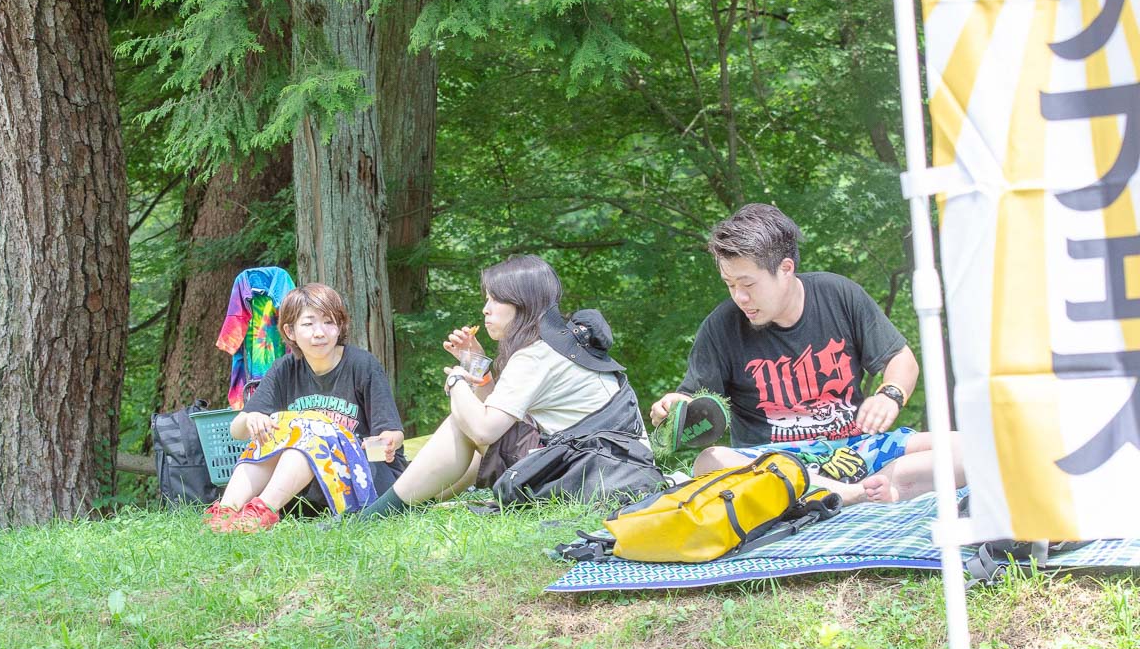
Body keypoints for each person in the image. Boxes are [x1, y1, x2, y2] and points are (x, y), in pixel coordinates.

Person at [650, 203, 962, 505]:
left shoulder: (839, 295)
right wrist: (673, 408)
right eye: (730, 285)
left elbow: (901, 359)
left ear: (786, 269)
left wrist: (889, 394)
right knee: (709, 461)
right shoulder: (720, 327)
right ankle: (854, 494)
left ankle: (872, 486)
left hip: (853, 452)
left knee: (966, 445)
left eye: (748, 284)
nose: (739, 297)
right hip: (772, 464)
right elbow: (691, 399)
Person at [358, 254, 629, 519]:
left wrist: (456, 380)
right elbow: (494, 420)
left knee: (462, 423)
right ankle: (409, 507)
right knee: (474, 428)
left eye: (495, 299)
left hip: (593, 477)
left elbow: (483, 430)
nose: (485, 309)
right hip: (611, 467)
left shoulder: (535, 355)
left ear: (522, 303)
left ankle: (377, 514)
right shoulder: (559, 343)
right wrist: (477, 365)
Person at [206, 282, 406, 531]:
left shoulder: (362, 365)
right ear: (290, 331)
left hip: (366, 478)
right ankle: (225, 512)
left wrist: (386, 442)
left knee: (307, 438)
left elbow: (392, 433)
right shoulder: (284, 369)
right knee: (270, 434)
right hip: (306, 490)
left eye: (329, 322)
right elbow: (237, 430)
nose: (319, 332)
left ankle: (261, 513)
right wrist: (252, 419)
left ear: (340, 326)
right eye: (309, 324)